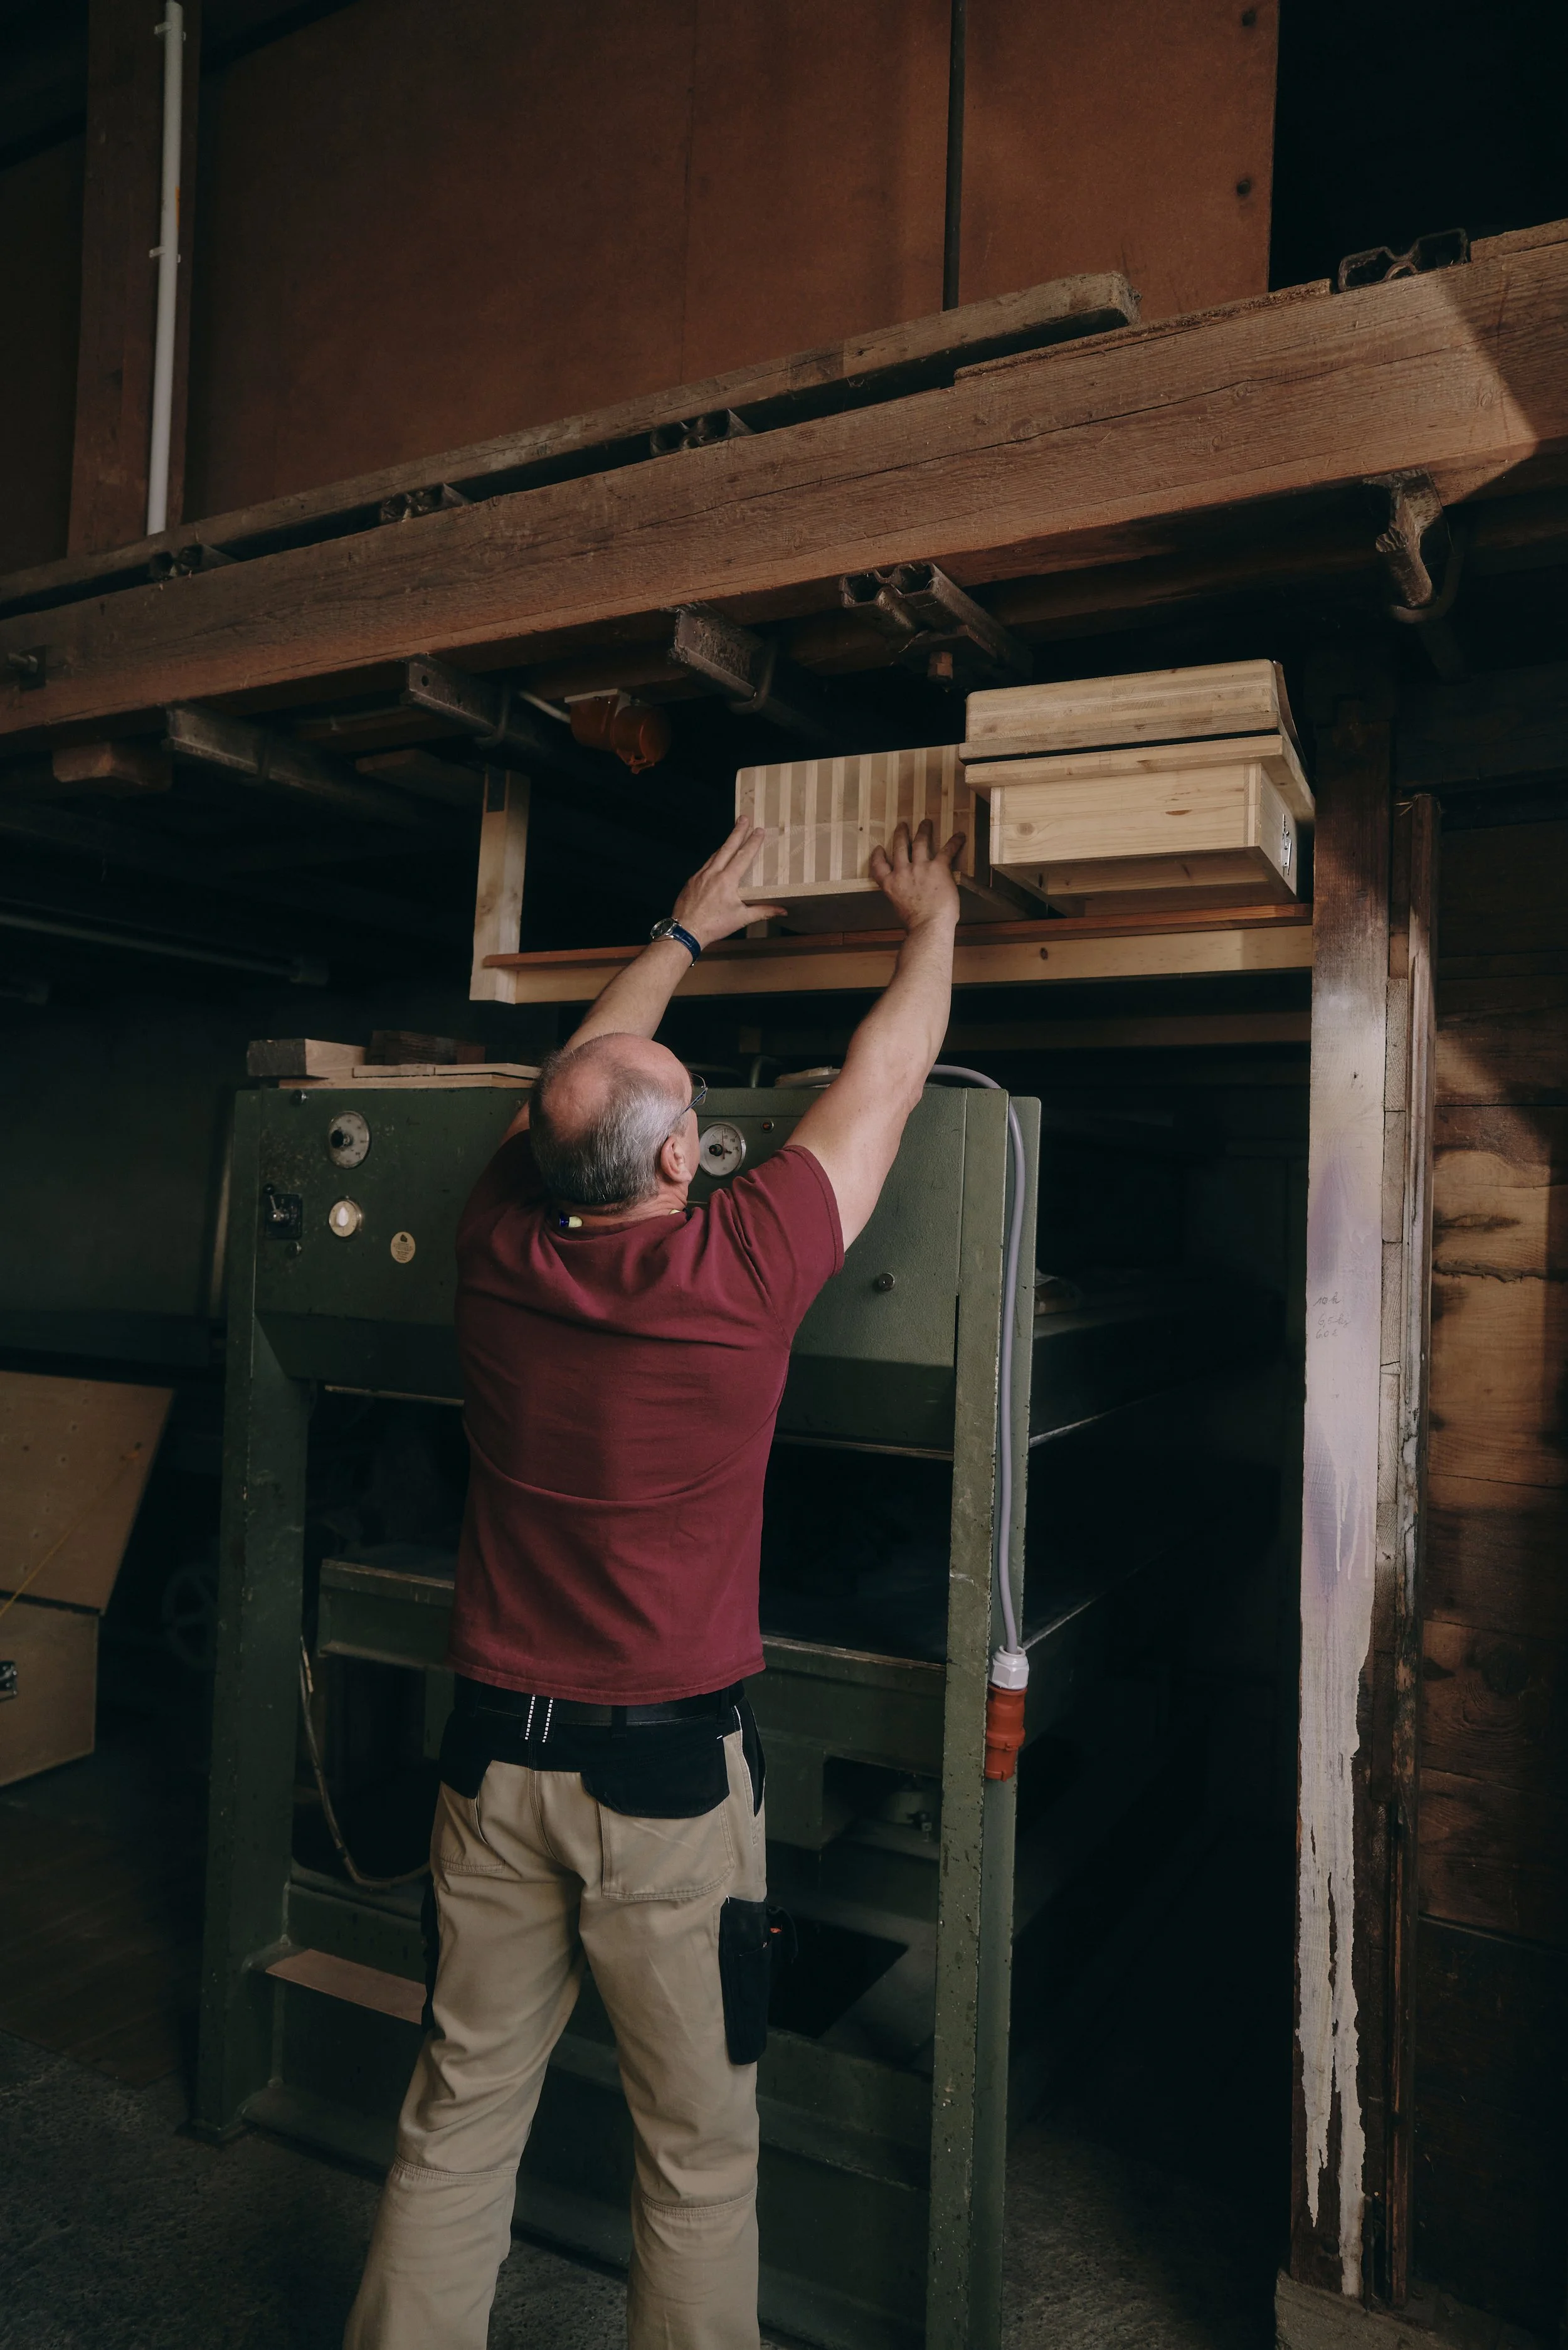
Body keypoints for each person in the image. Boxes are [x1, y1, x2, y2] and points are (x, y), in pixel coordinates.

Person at [344, 813, 965, 2350]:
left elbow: (572, 1084)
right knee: (693, 2159)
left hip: (493, 1765)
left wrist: (680, 932)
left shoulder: (497, 1247)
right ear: (684, 1157)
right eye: (688, 1112)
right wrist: (932, 922)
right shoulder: (740, 1269)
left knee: (455, 2112)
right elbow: (885, 1081)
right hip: (669, 1791)